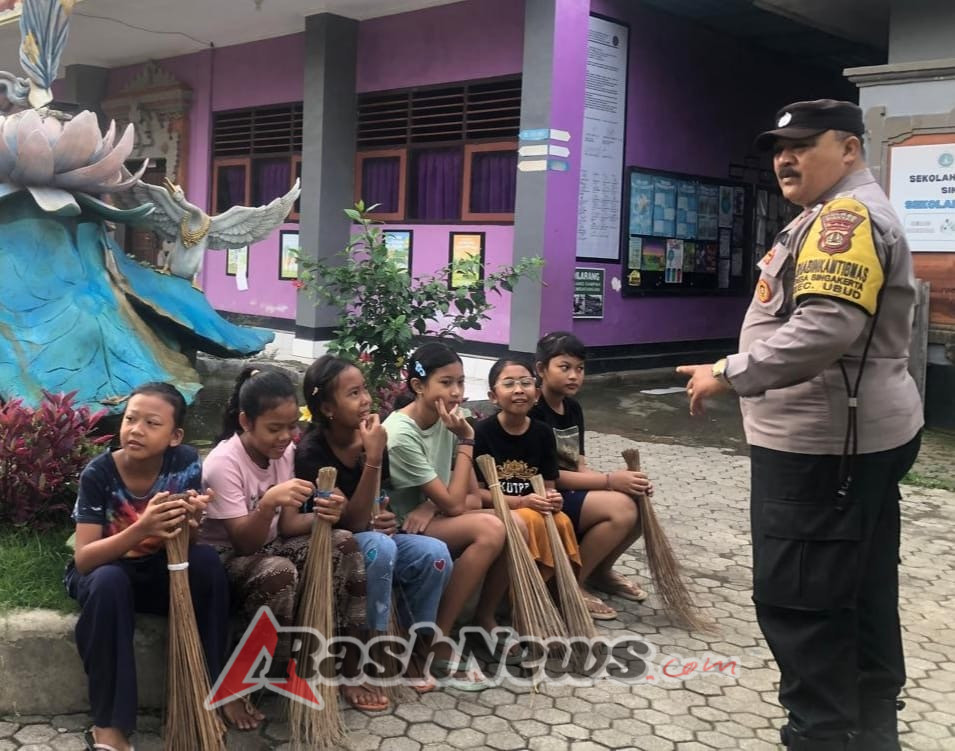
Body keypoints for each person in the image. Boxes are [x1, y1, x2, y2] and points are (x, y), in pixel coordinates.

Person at [677, 99, 923, 751]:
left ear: (848, 148)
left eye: (803, 145)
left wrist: (727, 372)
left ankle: (821, 733)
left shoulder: (844, 216)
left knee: (800, 601)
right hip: (849, 441)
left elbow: (823, 329)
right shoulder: (828, 213)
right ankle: (869, 730)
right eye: (779, 148)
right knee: (858, 586)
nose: (784, 157)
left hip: (822, 451)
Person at [199, 367, 385, 714]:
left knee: (344, 542)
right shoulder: (223, 463)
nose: (286, 437)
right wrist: (269, 502)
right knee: (280, 572)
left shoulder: (283, 453)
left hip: (270, 545)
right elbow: (243, 544)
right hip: (226, 558)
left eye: (292, 426)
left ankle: (347, 667)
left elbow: (288, 526)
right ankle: (242, 683)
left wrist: (327, 515)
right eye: (274, 428)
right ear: (245, 421)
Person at [64, 382, 232, 751]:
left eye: (151, 423)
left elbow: (184, 546)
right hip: (107, 570)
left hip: (160, 567)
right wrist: (141, 528)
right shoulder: (99, 474)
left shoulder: (186, 462)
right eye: (130, 419)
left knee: (206, 564)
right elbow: (85, 557)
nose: (136, 429)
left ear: (175, 436)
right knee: (109, 583)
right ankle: (108, 725)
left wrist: (192, 523)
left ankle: (204, 699)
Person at [294, 354, 454, 693]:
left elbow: (377, 506)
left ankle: (411, 651)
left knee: (434, 554)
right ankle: (360, 660)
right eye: (353, 393)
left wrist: (384, 515)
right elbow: (350, 522)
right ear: (327, 408)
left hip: (375, 536)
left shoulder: (370, 437)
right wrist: (374, 459)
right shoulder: (312, 453)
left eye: (364, 389)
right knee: (379, 548)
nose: (366, 399)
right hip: (339, 544)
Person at [382, 342, 510, 689]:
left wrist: (433, 503)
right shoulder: (401, 433)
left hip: (433, 518)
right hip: (402, 528)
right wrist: (467, 440)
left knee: (512, 527)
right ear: (418, 386)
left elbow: (468, 496)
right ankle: (436, 638)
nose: (455, 393)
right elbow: (458, 504)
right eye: (446, 382)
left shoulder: (447, 421)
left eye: (460, 382)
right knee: (490, 529)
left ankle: (482, 619)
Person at [530, 332, 651, 620]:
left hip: (574, 488)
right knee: (621, 510)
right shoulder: (533, 411)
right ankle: (570, 583)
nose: (574, 376)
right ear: (541, 369)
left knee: (638, 501)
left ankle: (600, 572)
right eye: (565, 367)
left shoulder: (572, 408)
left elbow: (579, 465)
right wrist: (609, 481)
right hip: (547, 493)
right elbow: (551, 477)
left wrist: (625, 482)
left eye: (580, 369)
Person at [473, 357, 583, 590]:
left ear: (536, 394)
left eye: (525, 383)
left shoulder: (542, 433)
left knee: (562, 521)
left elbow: (548, 484)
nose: (519, 390)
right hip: (499, 507)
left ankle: (558, 590)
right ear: (493, 396)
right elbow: (477, 496)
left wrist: (552, 498)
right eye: (509, 383)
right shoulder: (481, 433)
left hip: (534, 506)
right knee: (531, 519)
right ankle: (519, 593)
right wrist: (521, 501)